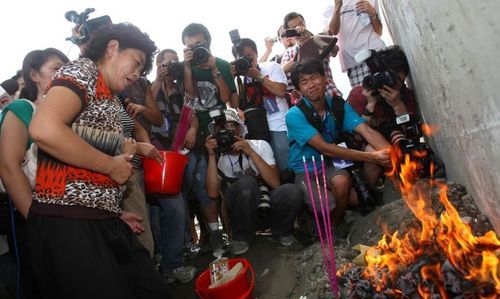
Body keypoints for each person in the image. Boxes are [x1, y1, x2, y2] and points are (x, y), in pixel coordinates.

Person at [27, 23, 170, 298]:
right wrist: (110, 166)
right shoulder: (83, 70)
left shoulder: (111, 97)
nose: (137, 74)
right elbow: (44, 130)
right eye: (136, 63)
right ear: (113, 48)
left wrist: (112, 209)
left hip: (102, 218)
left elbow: (82, 144)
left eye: (142, 71)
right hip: (67, 224)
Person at [286, 59, 390, 226]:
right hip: (305, 169)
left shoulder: (337, 105)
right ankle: (317, 223)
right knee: (328, 205)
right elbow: (325, 148)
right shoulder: (294, 115)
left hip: (329, 163)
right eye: (304, 82)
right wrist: (372, 157)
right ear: (299, 90)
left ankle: (336, 222)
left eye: (314, 78)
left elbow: (366, 130)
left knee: (342, 184)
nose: (311, 85)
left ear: (325, 78)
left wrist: (394, 156)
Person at [0, 47, 69, 299]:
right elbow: (8, 166)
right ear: (34, 75)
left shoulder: (72, 114)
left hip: (72, 215)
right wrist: (38, 219)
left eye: (67, 69)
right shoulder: (21, 109)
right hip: (38, 217)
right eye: (55, 68)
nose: (63, 74)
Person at [205, 108, 303, 255]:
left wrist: (250, 152)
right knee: (246, 183)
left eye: (230, 127)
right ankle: (242, 237)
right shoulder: (220, 157)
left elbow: (275, 183)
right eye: (221, 130)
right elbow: (213, 194)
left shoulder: (259, 145)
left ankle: (282, 233)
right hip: (241, 214)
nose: (226, 133)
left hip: (267, 206)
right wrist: (212, 156)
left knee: (292, 191)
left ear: (239, 129)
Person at [181, 23, 238, 257]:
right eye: (190, 46)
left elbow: (225, 97)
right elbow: (190, 97)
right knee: (207, 187)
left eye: (200, 44)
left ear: (208, 42)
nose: (196, 50)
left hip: (222, 128)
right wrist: (186, 66)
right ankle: (216, 236)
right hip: (200, 134)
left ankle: (233, 235)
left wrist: (215, 70)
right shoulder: (188, 68)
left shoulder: (222, 64)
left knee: (228, 185)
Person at [147, 49, 197, 283]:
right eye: (164, 63)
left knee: (175, 207)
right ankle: (170, 264)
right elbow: (149, 113)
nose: (169, 67)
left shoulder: (180, 90)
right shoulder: (148, 86)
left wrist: (193, 130)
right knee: (166, 209)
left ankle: (172, 258)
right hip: (155, 156)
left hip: (177, 156)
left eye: (172, 63)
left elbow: (192, 107)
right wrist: (158, 79)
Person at [347, 45, 418, 188]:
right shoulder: (359, 95)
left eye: (400, 81)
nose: (396, 85)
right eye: (393, 79)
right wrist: (370, 105)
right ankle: (372, 195)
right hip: (368, 148)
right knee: (375, 154)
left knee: (402, 146)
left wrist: (398, 105)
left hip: (398, 143)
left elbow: (412, 134)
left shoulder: (405, 95)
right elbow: (357, 137)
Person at [231, 37, 290, 171]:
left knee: (284, 162)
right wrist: (230, 80)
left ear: (256, 54)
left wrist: (259, 76)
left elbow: (281, 91)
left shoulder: (271, 67)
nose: (247, 61)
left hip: (277, 123)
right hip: (254, 127)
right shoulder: (239, 80)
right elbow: (234, 108)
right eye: (242, 59)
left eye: (249, 57)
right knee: (265, 168)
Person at [281, 12, 342, 99]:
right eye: (294, 28)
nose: (299, 28)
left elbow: (335, 50)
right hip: (307, 98)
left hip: (329, 91)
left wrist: (309, 38)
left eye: (301, 23)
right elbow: (282, 71)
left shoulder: (317, 39)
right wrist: (301, 49)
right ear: (289, 32)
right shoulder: (289, 52)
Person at [328, 0, 386, 87]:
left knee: (389, 93)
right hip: (354, 64)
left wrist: (373, 14)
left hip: (376, 54)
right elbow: (333, 31)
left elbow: (379, 31)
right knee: (365, 99)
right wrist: (337, 8)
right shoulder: (330, 6)